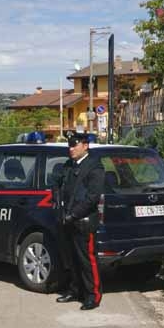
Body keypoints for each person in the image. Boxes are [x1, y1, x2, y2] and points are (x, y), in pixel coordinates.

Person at [55, 130, 105, 310]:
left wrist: (74, 214)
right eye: (69, 145)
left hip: (83, 221)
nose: (71, 148)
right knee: (72, 259)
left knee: (87, 261)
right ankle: (75, 290)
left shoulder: (94, 167)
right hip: (68, 220)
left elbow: (92, 197)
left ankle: (93, 295)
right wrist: (60, 210)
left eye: (74, 145)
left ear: (85, 146)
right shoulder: (69, 165)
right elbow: (59, 187)